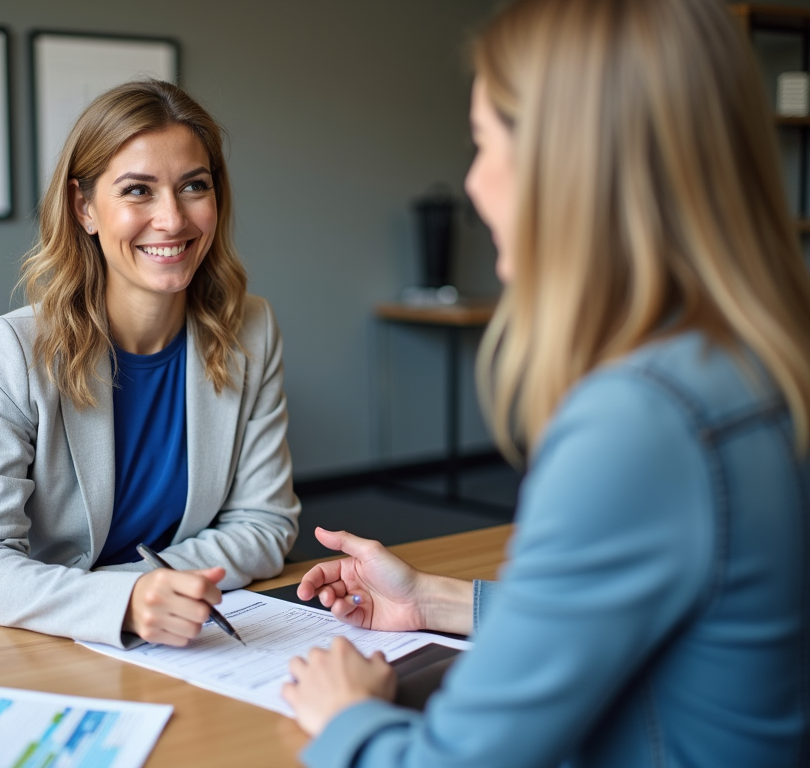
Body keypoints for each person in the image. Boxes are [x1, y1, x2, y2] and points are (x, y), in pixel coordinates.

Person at [282, 0, 810, 765]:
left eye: (483, 143)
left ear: (569, 164)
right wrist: (430, 599)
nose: (471, 183)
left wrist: (347, 719)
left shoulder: (641, 420)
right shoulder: (754, 365)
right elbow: (648, 619)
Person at [0, 81, 301, 649]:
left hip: (166, 643)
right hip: (13, 645)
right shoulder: (14, 350)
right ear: (85, 208)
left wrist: (148, 594)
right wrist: (124, 601)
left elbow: (266, 525)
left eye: (193, 186)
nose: (172, 219)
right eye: (138, 191)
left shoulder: (251, 329)